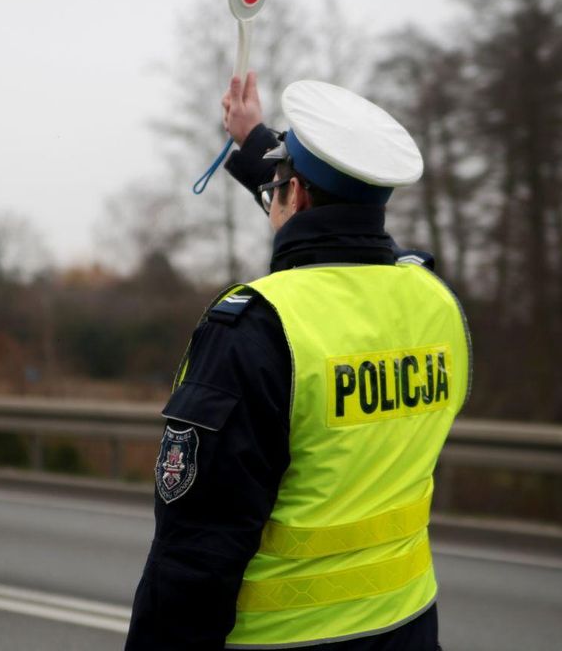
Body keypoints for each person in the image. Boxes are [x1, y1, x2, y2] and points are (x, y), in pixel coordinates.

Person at [125, 72, 472, 650]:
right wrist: (254, 142)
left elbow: (196, 552)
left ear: (298, 194)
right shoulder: (435, 303)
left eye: (278, 187)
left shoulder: (257, 326)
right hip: (407, 626)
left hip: (284, 640)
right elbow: (346, 228)